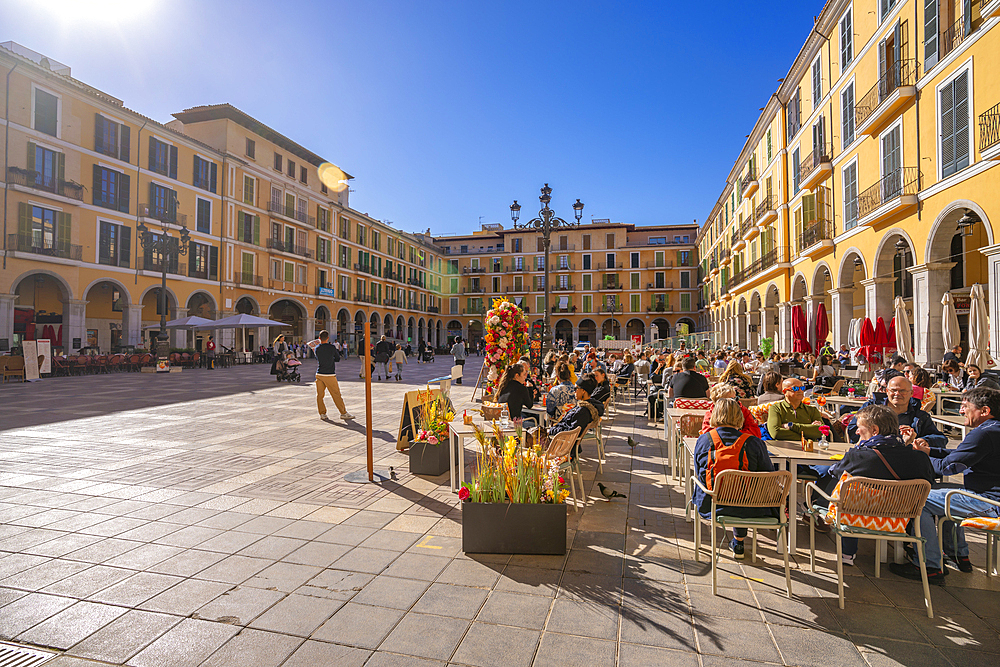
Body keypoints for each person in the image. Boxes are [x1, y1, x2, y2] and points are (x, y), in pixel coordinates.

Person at [890, 387, 1000, 583]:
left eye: (965, 407)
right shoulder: (992, 430)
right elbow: (958, 456)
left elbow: (948, 468)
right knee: (943, 494)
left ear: (984, 411)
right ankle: (958, 556)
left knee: (917, 498)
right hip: (988, 497)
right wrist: (929, 451)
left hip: (989, 502)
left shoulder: (983, 434)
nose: (961, 411)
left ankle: (928, 565)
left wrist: (918, 455)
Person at [817, 405, 936, 566]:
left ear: (874, 430)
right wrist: (905, 445)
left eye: (859, 428)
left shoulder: (858, 456)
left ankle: (847, 553)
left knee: (844, 495)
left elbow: (835, 473)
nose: (857, 432)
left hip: (858, 518)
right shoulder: (920, 458)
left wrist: (859, 445)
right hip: (898, 521)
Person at [692, 398, 777, 560]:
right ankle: (739, 540)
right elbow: (768, 473)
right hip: (752, 507)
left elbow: (699, 473)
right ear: (741, 417)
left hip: (712, 505)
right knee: (744, 486)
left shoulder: (705, 440)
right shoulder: (755, 443)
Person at [847, 376, 947, 447]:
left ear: (911, 393)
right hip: (873, 456)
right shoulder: (870, 409)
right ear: (887, 391)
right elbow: (852, 430)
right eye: (893, 390)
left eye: (902, 391)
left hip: (907, 461)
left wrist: (923, 440)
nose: (897, 394)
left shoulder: (919, 416)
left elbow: (941, 439)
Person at [548, 374, 605, 457]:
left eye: (576, 388)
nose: (574, 391)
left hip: (562, 447)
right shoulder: (588, 406)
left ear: (583, 391)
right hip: (562, 440)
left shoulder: (583, 411)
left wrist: (551, 431)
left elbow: (570, 433)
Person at [313, 330, 354, 421]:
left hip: (319, 373)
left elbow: (317, 358)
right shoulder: (332, 347)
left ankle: (322, 413)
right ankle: (343, 413)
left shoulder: (317, 348)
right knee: (336, 394)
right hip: (329, 374)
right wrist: (331, 359)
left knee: (320, 395)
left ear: (319, 338)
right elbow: (338, 358)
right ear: (328, 338)